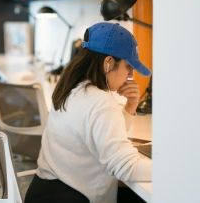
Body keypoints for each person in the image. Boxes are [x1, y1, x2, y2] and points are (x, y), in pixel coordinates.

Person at [24, 22, 152, 203]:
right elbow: (126, 168)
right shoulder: (101, 103)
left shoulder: (71, 88)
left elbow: (102, 135)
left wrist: (130, 106)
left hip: (44, 192)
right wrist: (173, 167)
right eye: (128, 67)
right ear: (108, 63)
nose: (130, 76)